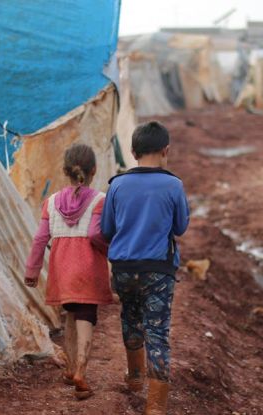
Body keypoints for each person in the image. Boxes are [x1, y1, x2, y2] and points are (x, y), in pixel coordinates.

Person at [102, 121, 189, 415]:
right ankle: (155, 406)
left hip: (124, 268)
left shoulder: (117, 184)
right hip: (158, 271)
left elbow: (107, 229)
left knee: (130, 316)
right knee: (157, 332)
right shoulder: (173, 185)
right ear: (166, 150)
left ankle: (135, 376)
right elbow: (181, 227)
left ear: (132, 151)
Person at [24, 144, 113, 400]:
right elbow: (96, 233)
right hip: (87, 267)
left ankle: (71, 367)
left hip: (61, 268)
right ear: (93, 170)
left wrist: (32, 269)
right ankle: (81, 370)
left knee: (71, 313)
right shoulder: (99, 200)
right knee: (86, 314)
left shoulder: (50, 202)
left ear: (65, 171)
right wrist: (109, 250)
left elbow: (40, 238)